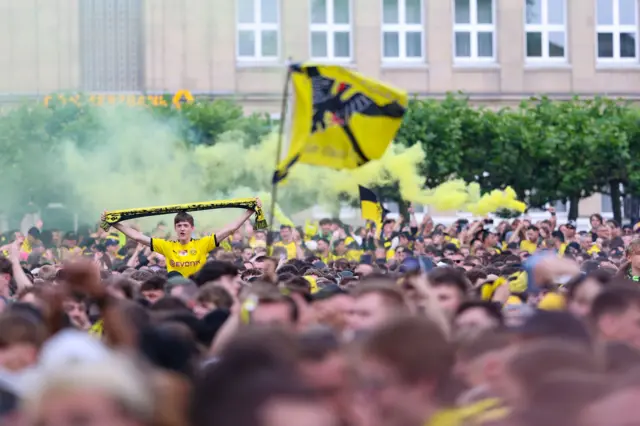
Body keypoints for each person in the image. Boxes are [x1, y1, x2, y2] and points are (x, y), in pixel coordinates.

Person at [101, 199, 261, 278]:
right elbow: (137, 236)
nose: (182, 228)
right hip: (174, 288)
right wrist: (115, 223)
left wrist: (250, 212)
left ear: (192, 228)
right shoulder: (166, 246)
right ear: (175, 228)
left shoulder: (203, 243)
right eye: (179, 226)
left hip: (197, 287)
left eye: (185, 225)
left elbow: (231, 229)